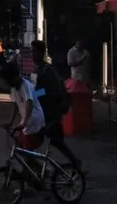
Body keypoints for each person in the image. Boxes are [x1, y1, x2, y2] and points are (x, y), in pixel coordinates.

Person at [31, 40, 81, 168]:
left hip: (51, 114)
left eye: (34, 52)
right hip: (45, 113)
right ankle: (73, 163)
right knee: (54, 142)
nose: (32, 55)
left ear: (41, 53)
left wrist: (36, 94)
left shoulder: (48, 71)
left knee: (34, 142)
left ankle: (38, 171)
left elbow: (54, 91)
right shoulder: (39, 69)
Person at [0, 62, 46, 151]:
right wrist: (10, 122)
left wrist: (23, 122)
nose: (7, 83)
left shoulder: (25, 86)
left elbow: (29, 102)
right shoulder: (14, 88)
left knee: (26, 152)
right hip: (27, 122)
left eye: (7, 80)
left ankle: (35, 165)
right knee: (20, 147)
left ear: (13, 77)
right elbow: (16, 105)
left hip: (34, 121)